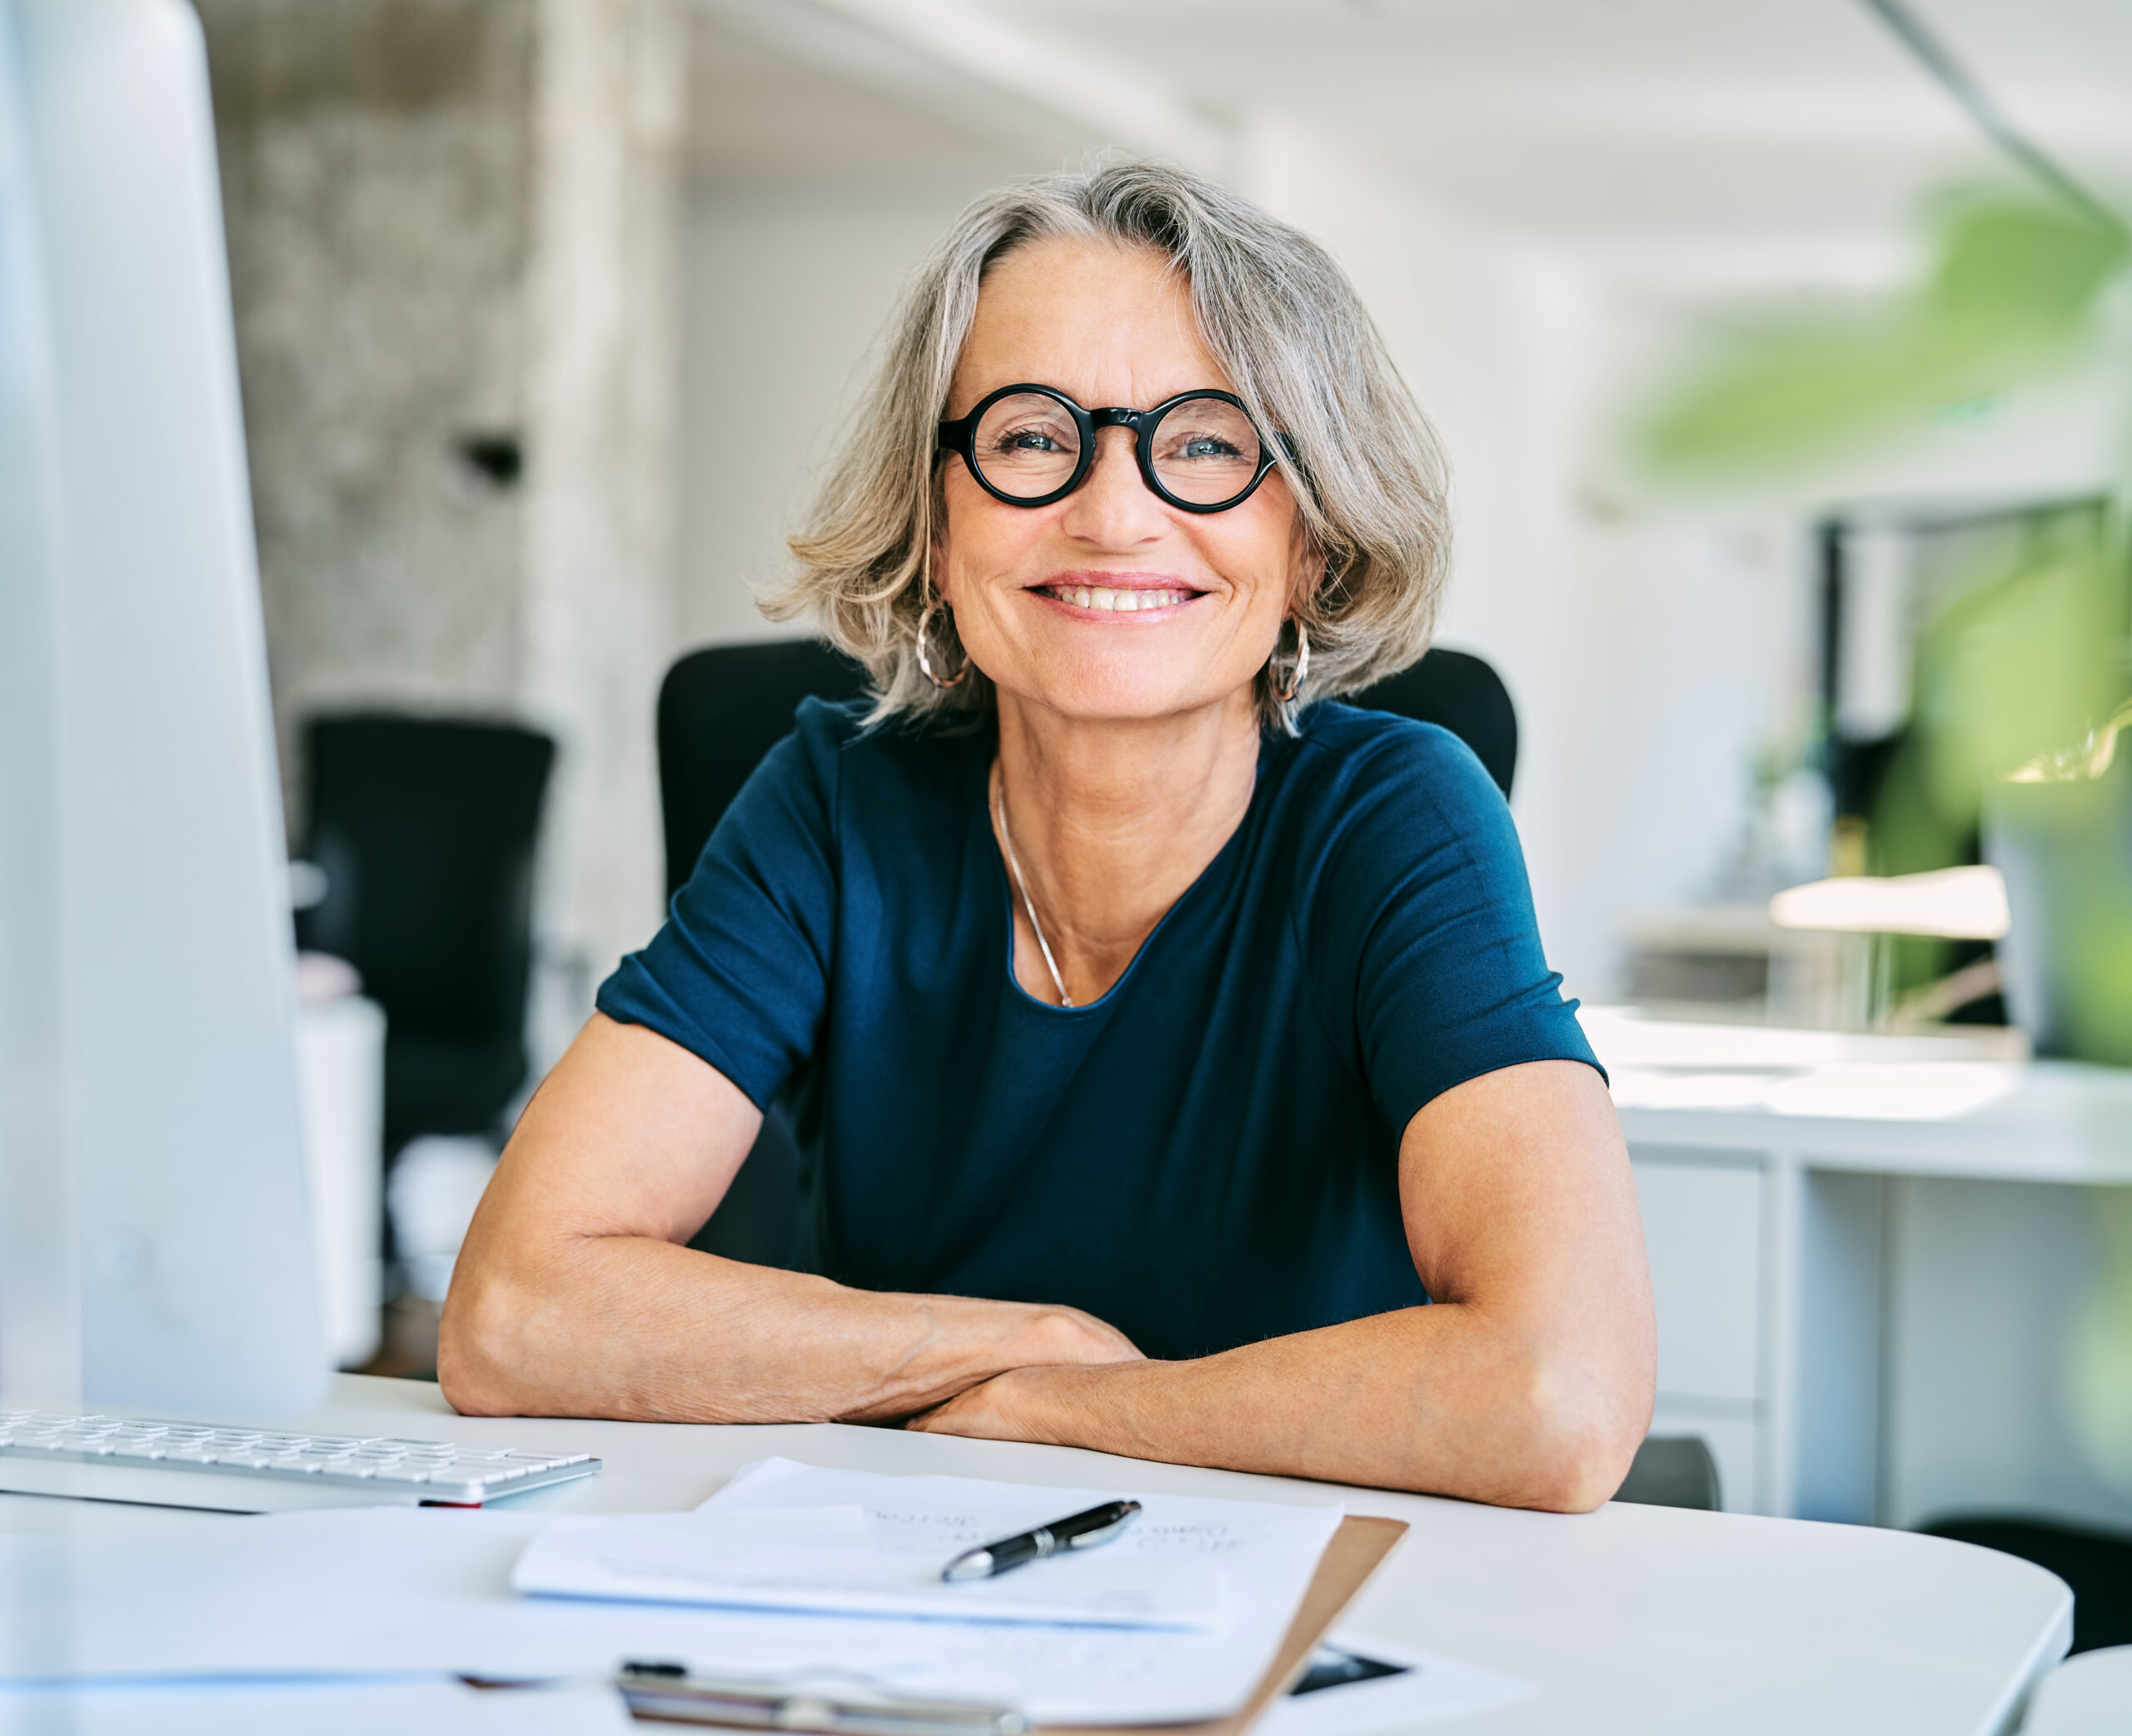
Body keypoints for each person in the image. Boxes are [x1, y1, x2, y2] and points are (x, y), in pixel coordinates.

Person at [441, 162, 1654, 1511]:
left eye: (1205, 441)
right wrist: (1019, 1342)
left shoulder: (1398, 816)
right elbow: (512, 1308)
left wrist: (1081, 1412)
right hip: (901, 1577)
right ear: (937, 523)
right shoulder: (836, 800)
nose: (1115, 512)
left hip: (1302, 1600)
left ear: (1310, 537)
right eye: (1029, 437)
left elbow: (1561, 1393)